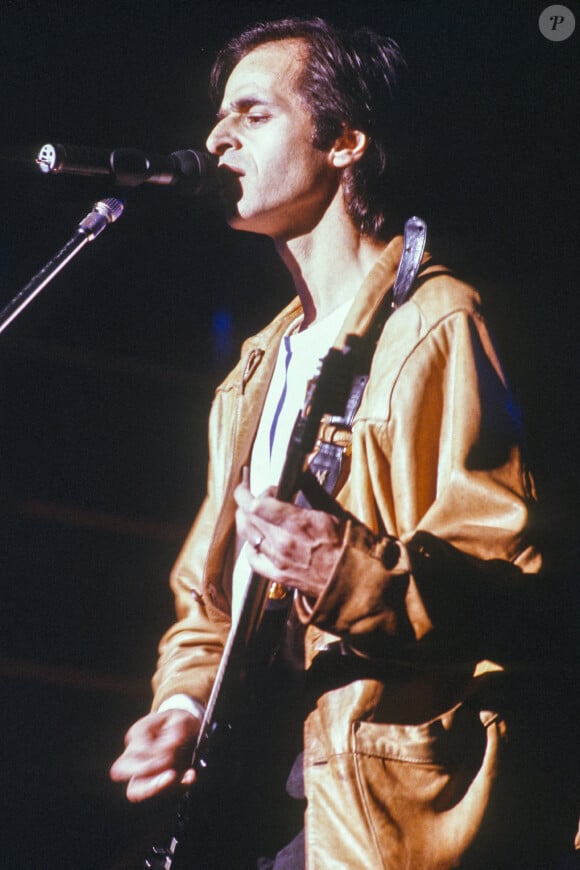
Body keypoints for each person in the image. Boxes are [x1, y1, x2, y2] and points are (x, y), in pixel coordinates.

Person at [111, 16, 576, 869]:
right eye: (218, 117)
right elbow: (209, 606)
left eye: (253, 114)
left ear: (345, 142)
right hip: (254, 801)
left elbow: (521, 589)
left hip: (382, 811)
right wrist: (180, 708)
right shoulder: (253, 373)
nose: (217, 137)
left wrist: (343, 571)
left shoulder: (437, 324)